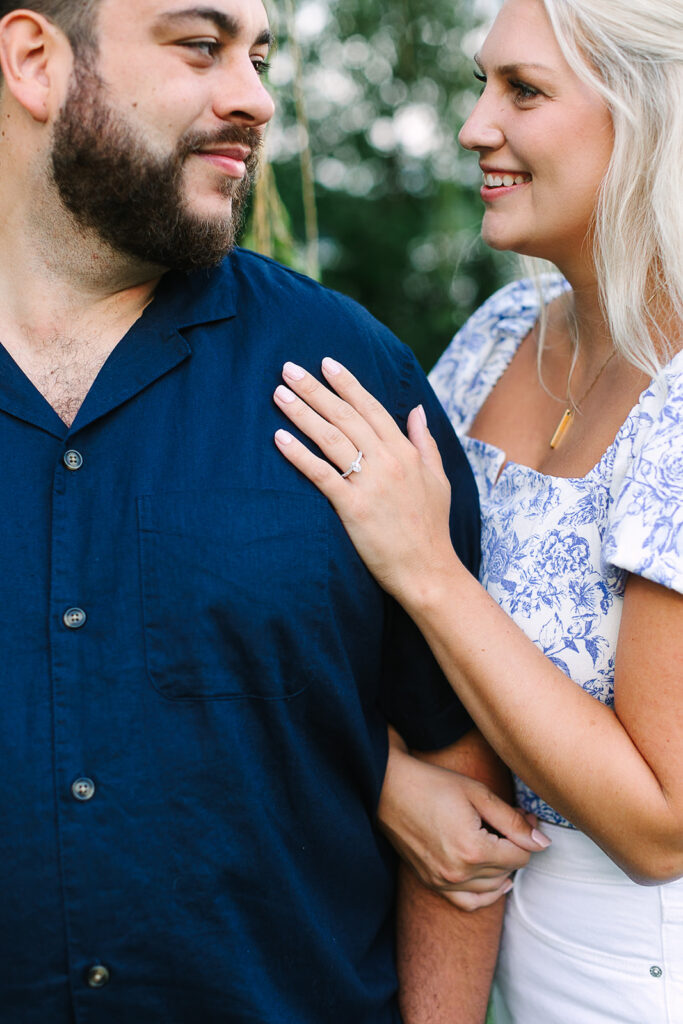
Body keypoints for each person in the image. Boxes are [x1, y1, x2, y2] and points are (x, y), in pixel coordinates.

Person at [0, 0, 548, 1020]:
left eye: (259, 56)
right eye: (200, 47)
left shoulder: (347, 378)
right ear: (35, 61)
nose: (253, 98)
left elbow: (459, 787)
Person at [272, 0, 683, 1020]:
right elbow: (381, 656)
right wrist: (384, 779)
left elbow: (656, 824)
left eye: (523, 90)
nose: (472, 126)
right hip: (478, 939)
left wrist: (427, 570)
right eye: (478, 82)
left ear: (648, 118)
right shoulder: (497, 337)